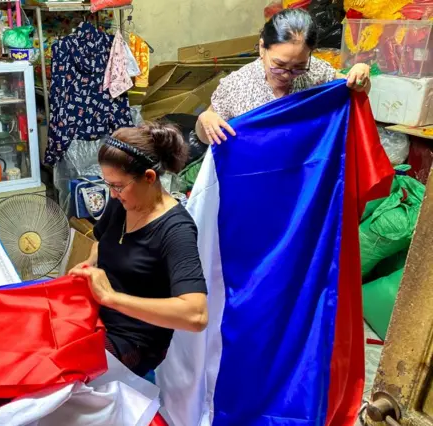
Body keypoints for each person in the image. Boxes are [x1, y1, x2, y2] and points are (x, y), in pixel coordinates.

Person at [69, 122, 208, 377]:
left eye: (118, 186)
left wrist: (111, 298)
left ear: (149, 177)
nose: (112, 194)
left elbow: (196, 315)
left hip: (136, 341)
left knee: (59, 369)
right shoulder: (123, 202)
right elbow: (102, 242)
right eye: (108, 184)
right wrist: (91, 263)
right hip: (99, 317)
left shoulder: (176, 230)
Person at [197, 8, 372, 144]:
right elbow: (206, 135)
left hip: (304, 174)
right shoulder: (236, 86)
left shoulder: (316, 73)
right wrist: (205, 119)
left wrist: (360, 74)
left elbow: (354, 90)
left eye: (298, 67)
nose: (287, 75)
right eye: (279, 65)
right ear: (262, 48)